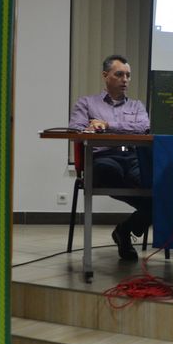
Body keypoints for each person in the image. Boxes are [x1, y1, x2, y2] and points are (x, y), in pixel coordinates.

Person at [69, 54, 151, 261]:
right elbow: (75, 130)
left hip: (131, 157)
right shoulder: (87, 103)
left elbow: (143, 128)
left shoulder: (136, 106)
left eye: (128, 75)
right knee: (109, 171)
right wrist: (89, 128)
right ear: (105, 76)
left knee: (158, 187)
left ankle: (124, 230)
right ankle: (143, 213)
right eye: (119, 74)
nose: (125, 79)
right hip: (102, 156)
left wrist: (107, 125)